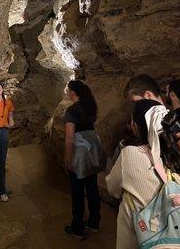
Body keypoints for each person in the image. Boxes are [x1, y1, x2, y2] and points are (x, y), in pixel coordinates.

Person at [106, 99, 180, 249]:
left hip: (138, 239)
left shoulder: (130, 154)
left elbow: (112, 189)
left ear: (137, 126)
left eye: (132, 120)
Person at [64, 80, 101, 240]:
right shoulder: (90, 107)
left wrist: (68, 157)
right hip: (92, 150)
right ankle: (93, 223)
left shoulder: (72, 110)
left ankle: (77, 228)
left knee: (77, 191)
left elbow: (69, 138)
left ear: (73, 92)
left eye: (68, 90)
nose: (67, 92)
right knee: (92, 187)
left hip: (79, 152)